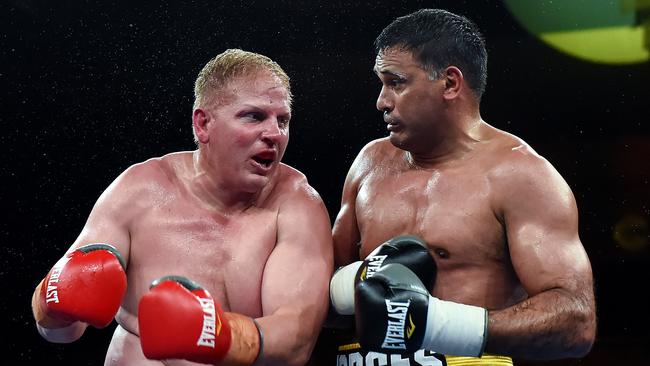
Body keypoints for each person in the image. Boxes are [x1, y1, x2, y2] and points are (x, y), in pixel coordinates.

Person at [324, 8, 596, 366]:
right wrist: (354, 285)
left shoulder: (521, 176)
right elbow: (318, 296)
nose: (382, 101)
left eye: (396, 82)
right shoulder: (370, 163)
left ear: (450, 83)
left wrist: (438, 324)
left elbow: (576, 320)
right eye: (381, 83)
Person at [31, 49, 334, 365]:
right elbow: (61, 330)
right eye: (254, 116)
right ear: (203, 124)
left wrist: (215, 334)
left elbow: (296, 340)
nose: (274, 133)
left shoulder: (296, 205)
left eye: (282, 120)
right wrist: (52, 306)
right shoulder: (140, 190)